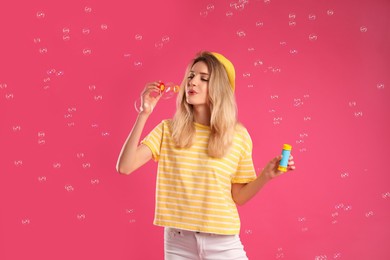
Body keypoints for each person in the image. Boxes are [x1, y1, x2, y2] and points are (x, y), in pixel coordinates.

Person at [116, 51, 295, 260]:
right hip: (178, 242)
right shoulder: (168, 129)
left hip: (222, 241)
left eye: (204, 78)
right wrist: (144, 113)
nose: (192, 82)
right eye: (191, 76)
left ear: (218, 89)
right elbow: (125, 167)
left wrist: (266, 175)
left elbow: (239, 196)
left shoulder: (237, 136)